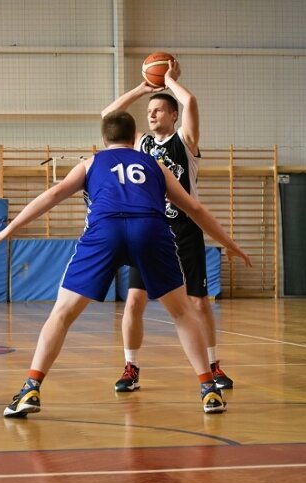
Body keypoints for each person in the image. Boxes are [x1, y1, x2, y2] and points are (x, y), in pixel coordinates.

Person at [0, 111, 251, 418]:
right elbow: (195, 209)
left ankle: (30, 388)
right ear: (134, 138)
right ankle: (209, 390)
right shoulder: (156, 165)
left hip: (105, 230)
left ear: (103, 138)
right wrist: (230, 244)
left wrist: (8, 229)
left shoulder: (91, 163)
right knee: (182, 312)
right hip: (150, 229)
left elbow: (53, 194)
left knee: (63, 313)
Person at [101, 59, 233, 393]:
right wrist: (144, 88)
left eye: (158, 110)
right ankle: (131, 366)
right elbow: (108, 117)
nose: (152, 114)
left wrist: (169, 81)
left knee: (199, 303)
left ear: (172, 116)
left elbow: (190, 102)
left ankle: (213, 365)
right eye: (149, 111)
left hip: (185, 230)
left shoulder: (185, 142)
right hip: (151, 231)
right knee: (134, 302)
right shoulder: (141, 145)